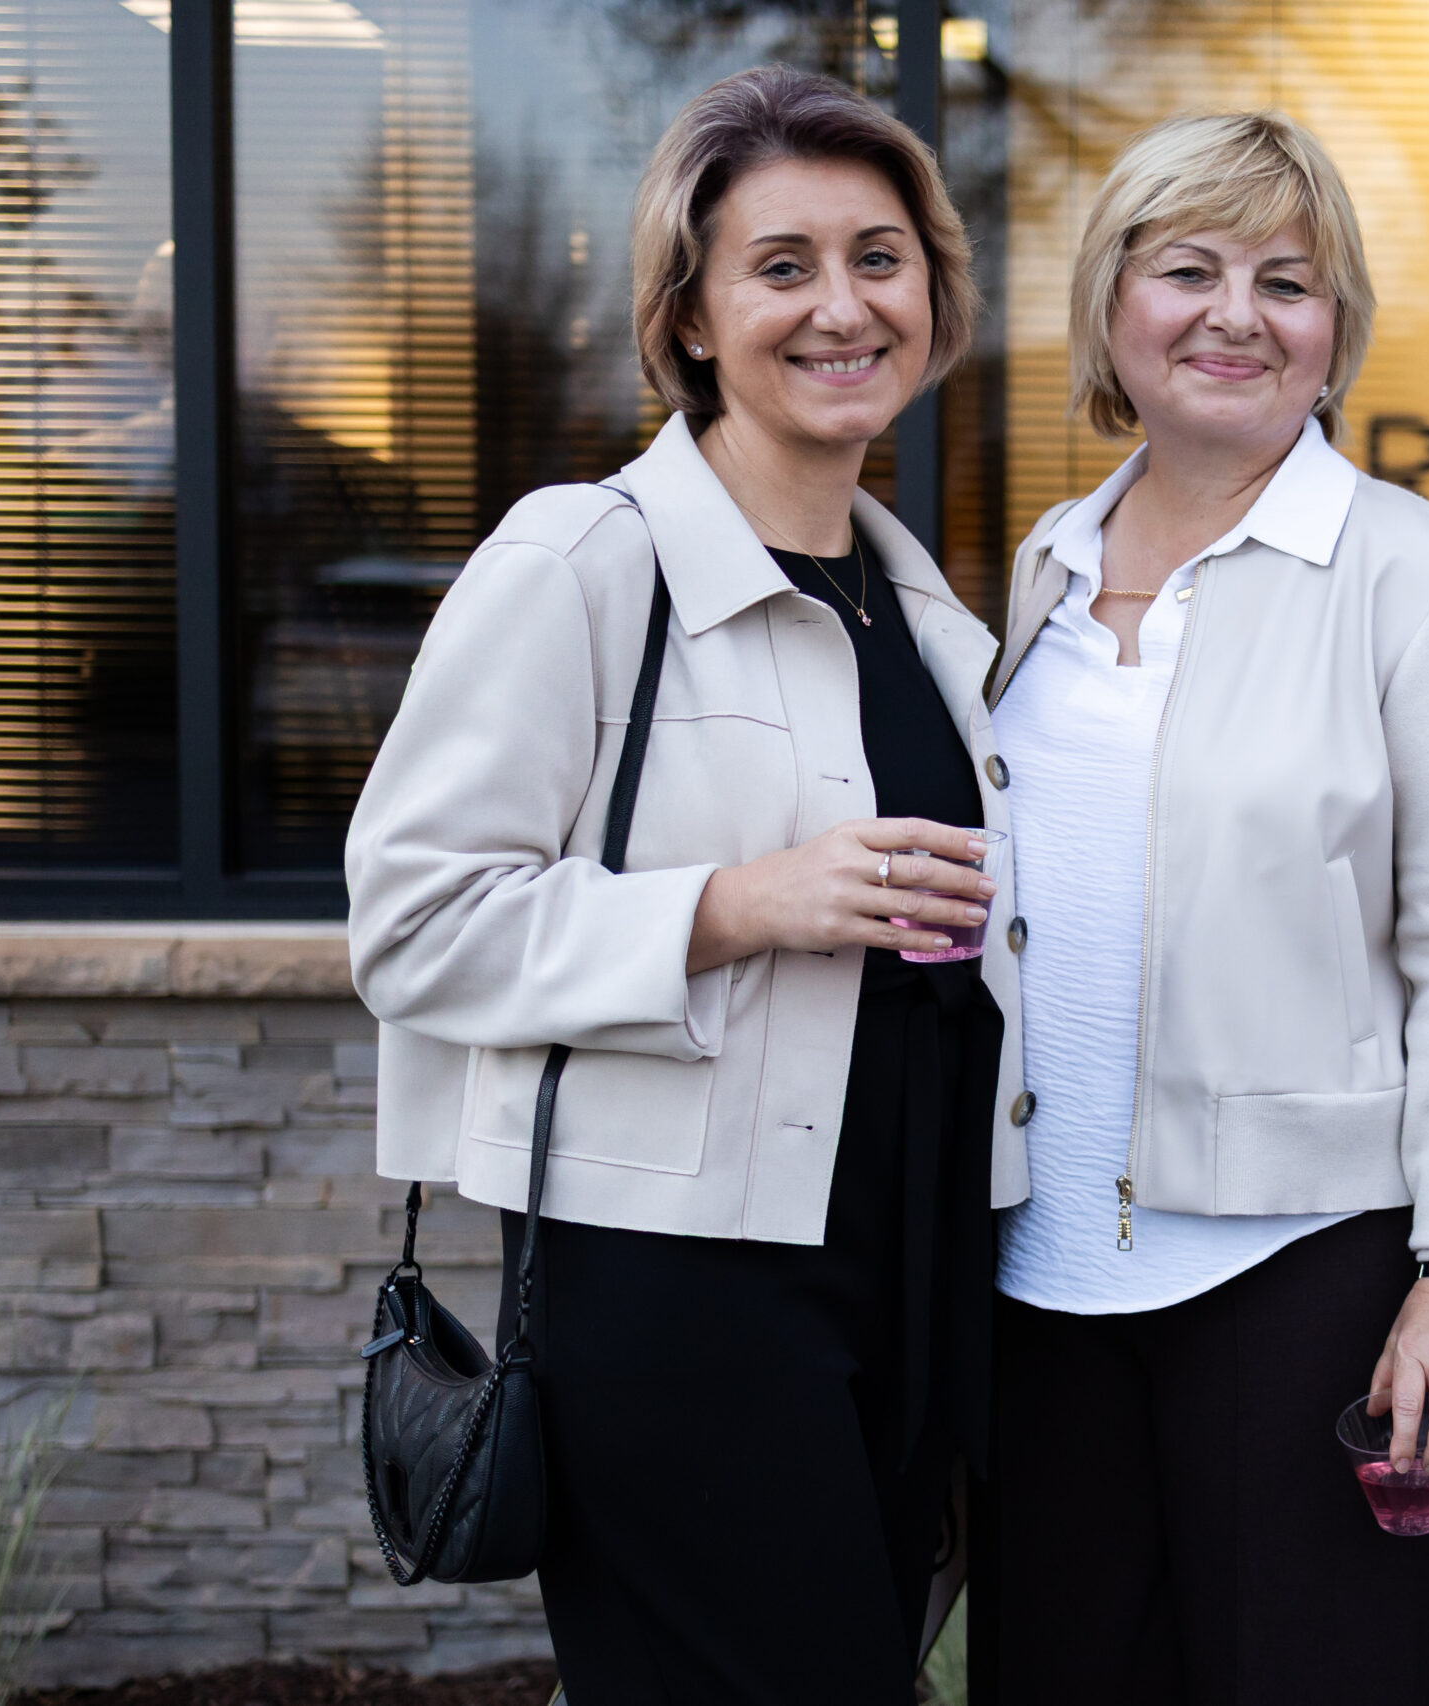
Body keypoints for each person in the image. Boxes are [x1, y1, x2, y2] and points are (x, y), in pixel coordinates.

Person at [344, 65, 1018, 1705]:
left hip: (913, 1264)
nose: (843, 305)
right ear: (694, 317)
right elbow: (411, 922)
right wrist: (738, 904)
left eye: (879, 257)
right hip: (679, 1282)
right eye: (782, 266)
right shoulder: (585, 561)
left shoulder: (928, 615)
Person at [967, 110, 1429, 1706]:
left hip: (1305, 1282)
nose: (1237, 314)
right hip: (1041, 1279)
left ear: (1335, 332)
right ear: (1110, 304)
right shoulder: (1046, 566)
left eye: (1286, 282)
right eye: (1189, 270)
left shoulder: (1422, 582)